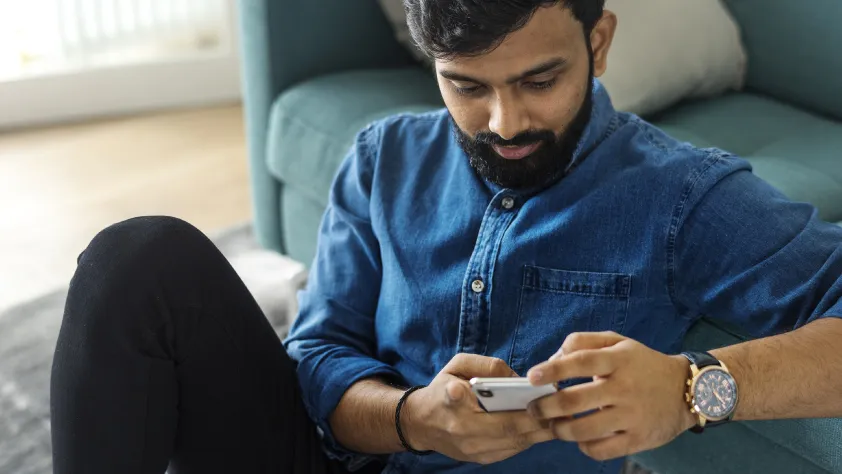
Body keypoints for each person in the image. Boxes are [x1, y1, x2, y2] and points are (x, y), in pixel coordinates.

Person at [50, 1, 842, 473]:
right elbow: (319, 358)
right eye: (466, 85)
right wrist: (412, 417)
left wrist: (688, 388)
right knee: (138, 257)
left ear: (597, 42)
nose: (504, 125)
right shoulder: (382, 158)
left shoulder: (683, 194)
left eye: (540, 81)